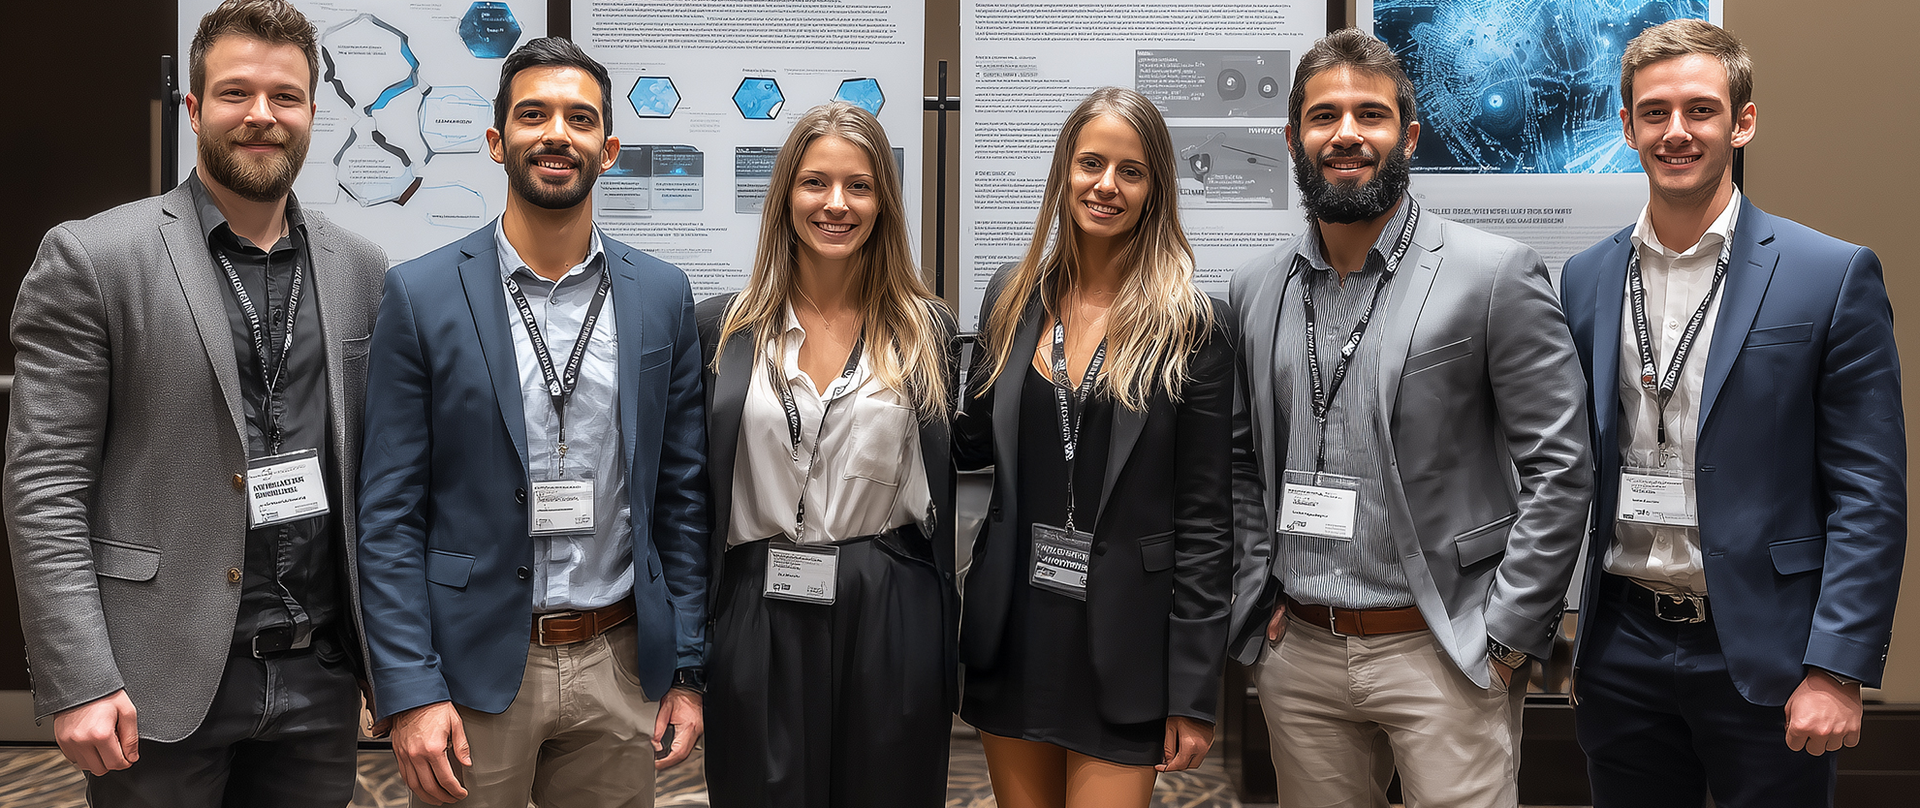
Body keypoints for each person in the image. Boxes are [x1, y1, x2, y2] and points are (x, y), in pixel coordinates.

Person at [2, 1, 387, 804]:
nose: (261, 116)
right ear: (194, 109)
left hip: (316, 676)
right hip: (156, 679)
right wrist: (78, 679)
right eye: (235, 93)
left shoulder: (361, 268)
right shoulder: (96, 258)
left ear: (313, 113)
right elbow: (44, 488)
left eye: (285, 97)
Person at [1224, 28, 1592, 808]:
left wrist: (1506, 636)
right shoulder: (1256, 288)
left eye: (1371, 114)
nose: (1347, 134)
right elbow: (1239, 464)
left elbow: (1561, 468)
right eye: (1324, 116)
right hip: (1304, 651)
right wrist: (1257, 602)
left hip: (1443, 648)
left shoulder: (1492, 275)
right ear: (1294, 137)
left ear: (1409, 135)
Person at [356, 37, 709, 808]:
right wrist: (409, 688)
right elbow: (387, 515)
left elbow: (681, 499)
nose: (557, 134)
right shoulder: (420, 296)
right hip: (473, 668)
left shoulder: (662, 295)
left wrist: (685, 671)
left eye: (580, 119)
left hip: (618, 663)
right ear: (496, 142)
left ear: (608, 149)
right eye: (533, 115)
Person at [1561, 20, 1905, 808]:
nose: (1675, 132)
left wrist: (1837, 667)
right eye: (1653, 112)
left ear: (1741, 122)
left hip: (1769, 652)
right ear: (1626, 128)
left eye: (1700, 110)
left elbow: (1870, 495)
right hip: (1623, 646)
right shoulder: (1585, 278)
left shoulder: (1830, 274)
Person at [954, 86, 1234, 808]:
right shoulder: (1010, 297)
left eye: (1130, 171)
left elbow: (1206, 520)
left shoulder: (1194, 325)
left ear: (1154, 188)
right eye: (1091, 164)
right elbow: (970, 441)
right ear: (1064, 172)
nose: (1106, 185)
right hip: (1015, 625)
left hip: (1126, 642)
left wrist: (1195, 690)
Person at [694, 102, 958, 808]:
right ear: (785, 195)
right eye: (815, 183)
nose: (836, 204)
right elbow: (689, 494)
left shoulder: (925, 328)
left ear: (884, 203)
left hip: (887, 599)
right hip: (757, 598)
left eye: (859, 186)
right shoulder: (723, 326)